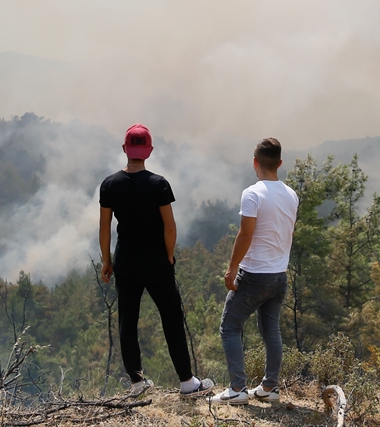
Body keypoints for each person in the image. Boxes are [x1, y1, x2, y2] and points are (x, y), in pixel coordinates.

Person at [99, 124, 214, 398]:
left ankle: (137, 383)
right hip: (156, 260)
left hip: (125, 260)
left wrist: (107, 261)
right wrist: (169, 254)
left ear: (125, 149)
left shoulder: (109, 184)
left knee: (128, 319)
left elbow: (104, 227)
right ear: (148, 151)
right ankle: (187, 383)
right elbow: (169, 226)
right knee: (171, 317)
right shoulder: (158, 183)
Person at [209, 137, 299, 404]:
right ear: (280, 163)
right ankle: (269, 388)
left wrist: (232, 268)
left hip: (254, 274)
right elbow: (288, 231)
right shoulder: (291, 194)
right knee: (271, 330)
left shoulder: (252, 193)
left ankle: (237, 389)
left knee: (230, 327)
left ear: (254, 163)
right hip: (279, 274)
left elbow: (245, 234)